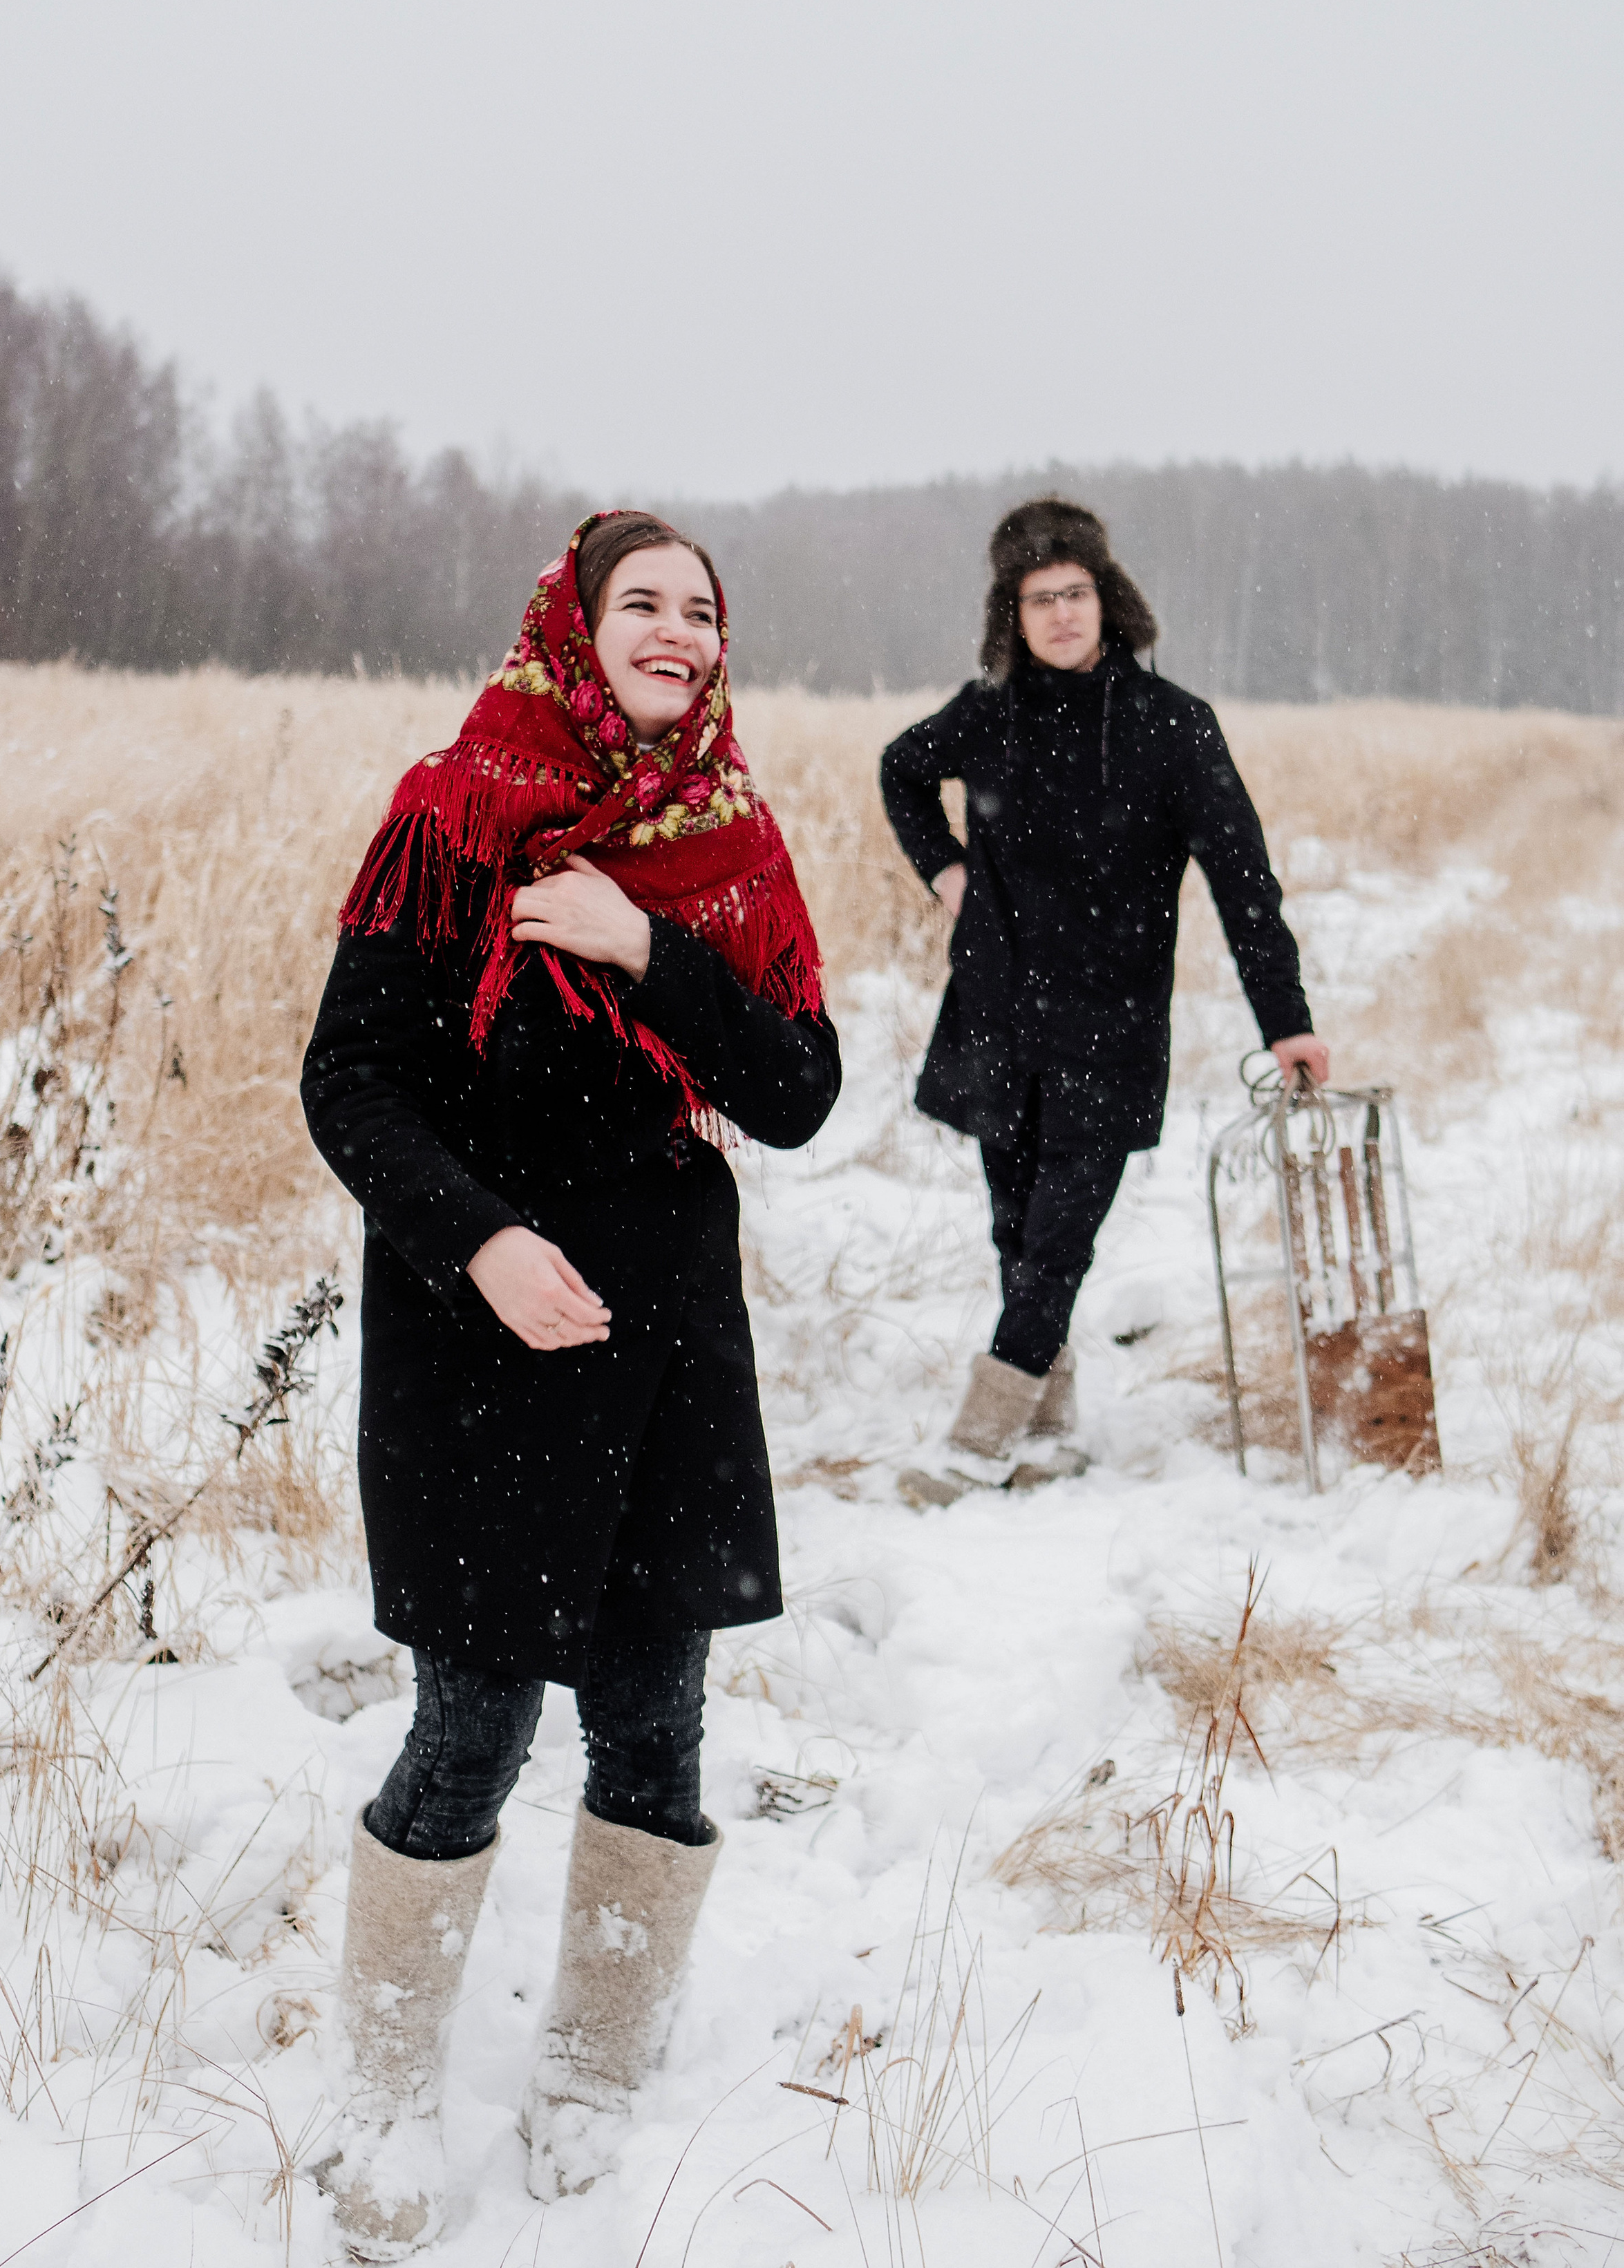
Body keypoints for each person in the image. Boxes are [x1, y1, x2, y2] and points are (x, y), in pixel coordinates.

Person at [300, 511, 839, 2247]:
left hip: (668, 1334)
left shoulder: (731, 844)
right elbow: (351, 1082)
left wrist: (642, 946)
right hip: (482, 1332)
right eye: (643, 604)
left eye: (702, 609)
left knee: (655, 1715)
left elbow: (796, 1090)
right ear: (572, 628)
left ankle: (596, 2066)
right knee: (470, 1725)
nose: (676, 632)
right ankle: (383, 2086)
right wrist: (479, 1240)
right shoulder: (456, 810)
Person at [881, 496, 1327, 1506]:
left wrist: (1286, 1019)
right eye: (1040, 599)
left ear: (1107, 600)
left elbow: (1244, 883)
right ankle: (1050, 1426)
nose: (1062, 614)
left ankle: (977, 1440)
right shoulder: (985, 715)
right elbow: (902, 770)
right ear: (1014, 615)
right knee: (1014, 1232)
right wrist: (947, 872)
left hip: (1111, 1028)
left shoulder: (1174, 729)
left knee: (1056, 1243)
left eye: (1076, 592)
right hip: (997, 1015)